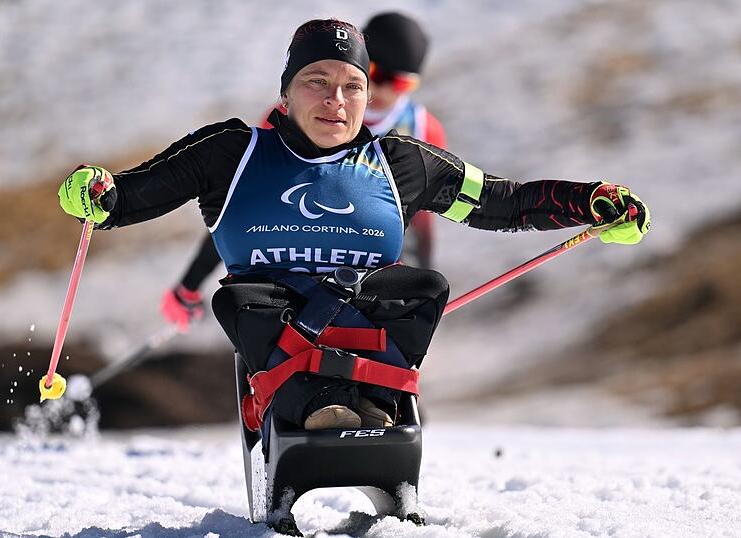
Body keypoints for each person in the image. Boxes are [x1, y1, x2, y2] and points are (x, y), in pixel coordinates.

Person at [57, 18, 650, 432]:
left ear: (368, 98)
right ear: (286, 94)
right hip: (274, 320)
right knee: (239, 297)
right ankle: (318, 405)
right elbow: (129, 198)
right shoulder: (230, 151)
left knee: (426, 288)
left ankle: (366, 404)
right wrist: (95, 193)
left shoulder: (402, 163)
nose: (335, 100)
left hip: (361, 319)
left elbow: (505, 202)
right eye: (317, 81)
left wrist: (590, 203)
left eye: (352, 87)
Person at [160, 12, 444, 334]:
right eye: (376, 72)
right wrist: (190, 284)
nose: (382, 89)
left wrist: (422, 301)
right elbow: (242, 205)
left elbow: (423, 222)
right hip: (289, 287)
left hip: (367, 291)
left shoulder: (422, 130)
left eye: (400, 82)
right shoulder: (296, 116)